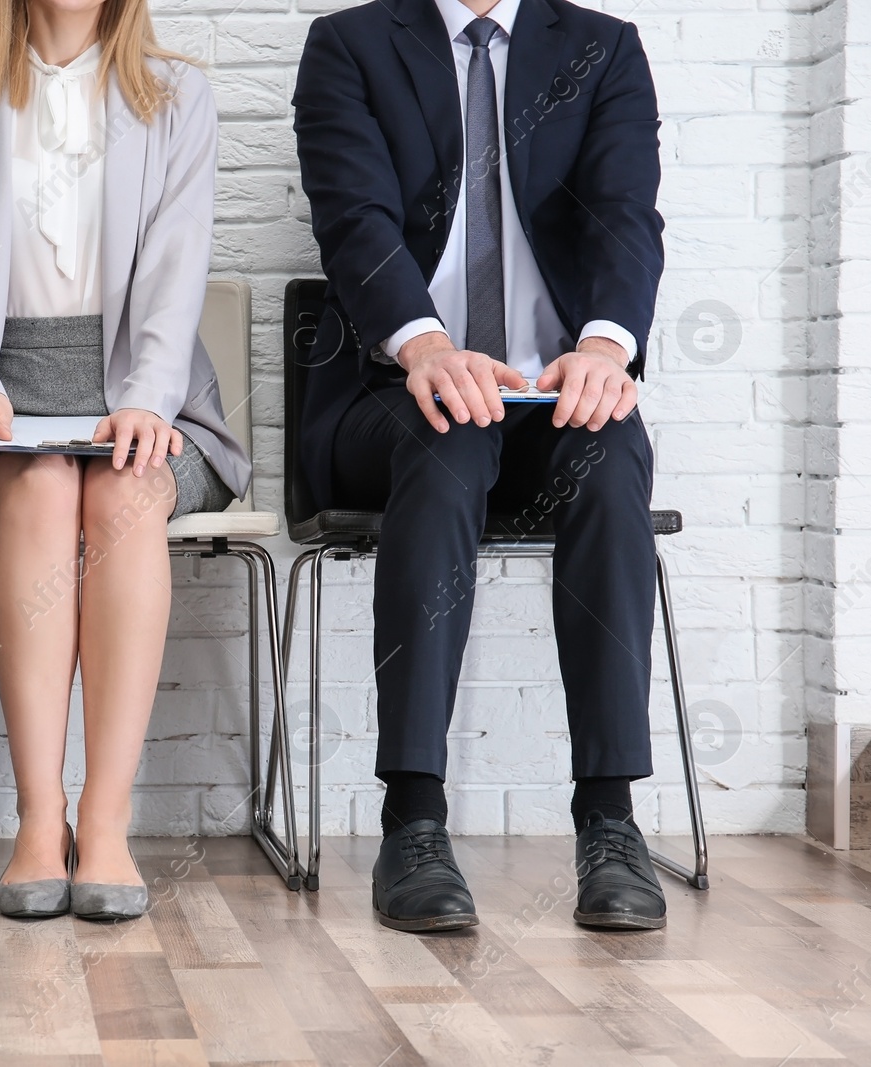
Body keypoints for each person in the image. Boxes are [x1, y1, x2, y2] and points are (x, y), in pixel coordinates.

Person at [293, 0, 669, 932]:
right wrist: (425, 344)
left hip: (554, 387)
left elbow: (626, 213)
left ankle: (610, 819)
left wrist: (606, 347)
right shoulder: (349, 43)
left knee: (613, 453)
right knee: (450, 436)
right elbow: (354, 217)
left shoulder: (602, 47)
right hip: (394, 392)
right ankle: (412, 819)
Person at [0, 0, 249, 921]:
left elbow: (177, 273)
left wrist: (145, 396)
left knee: (125, 496)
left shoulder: (178, 96)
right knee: (46, 485)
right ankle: (36, 819)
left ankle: (103, 822)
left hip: (152, 390)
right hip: (0, 403)